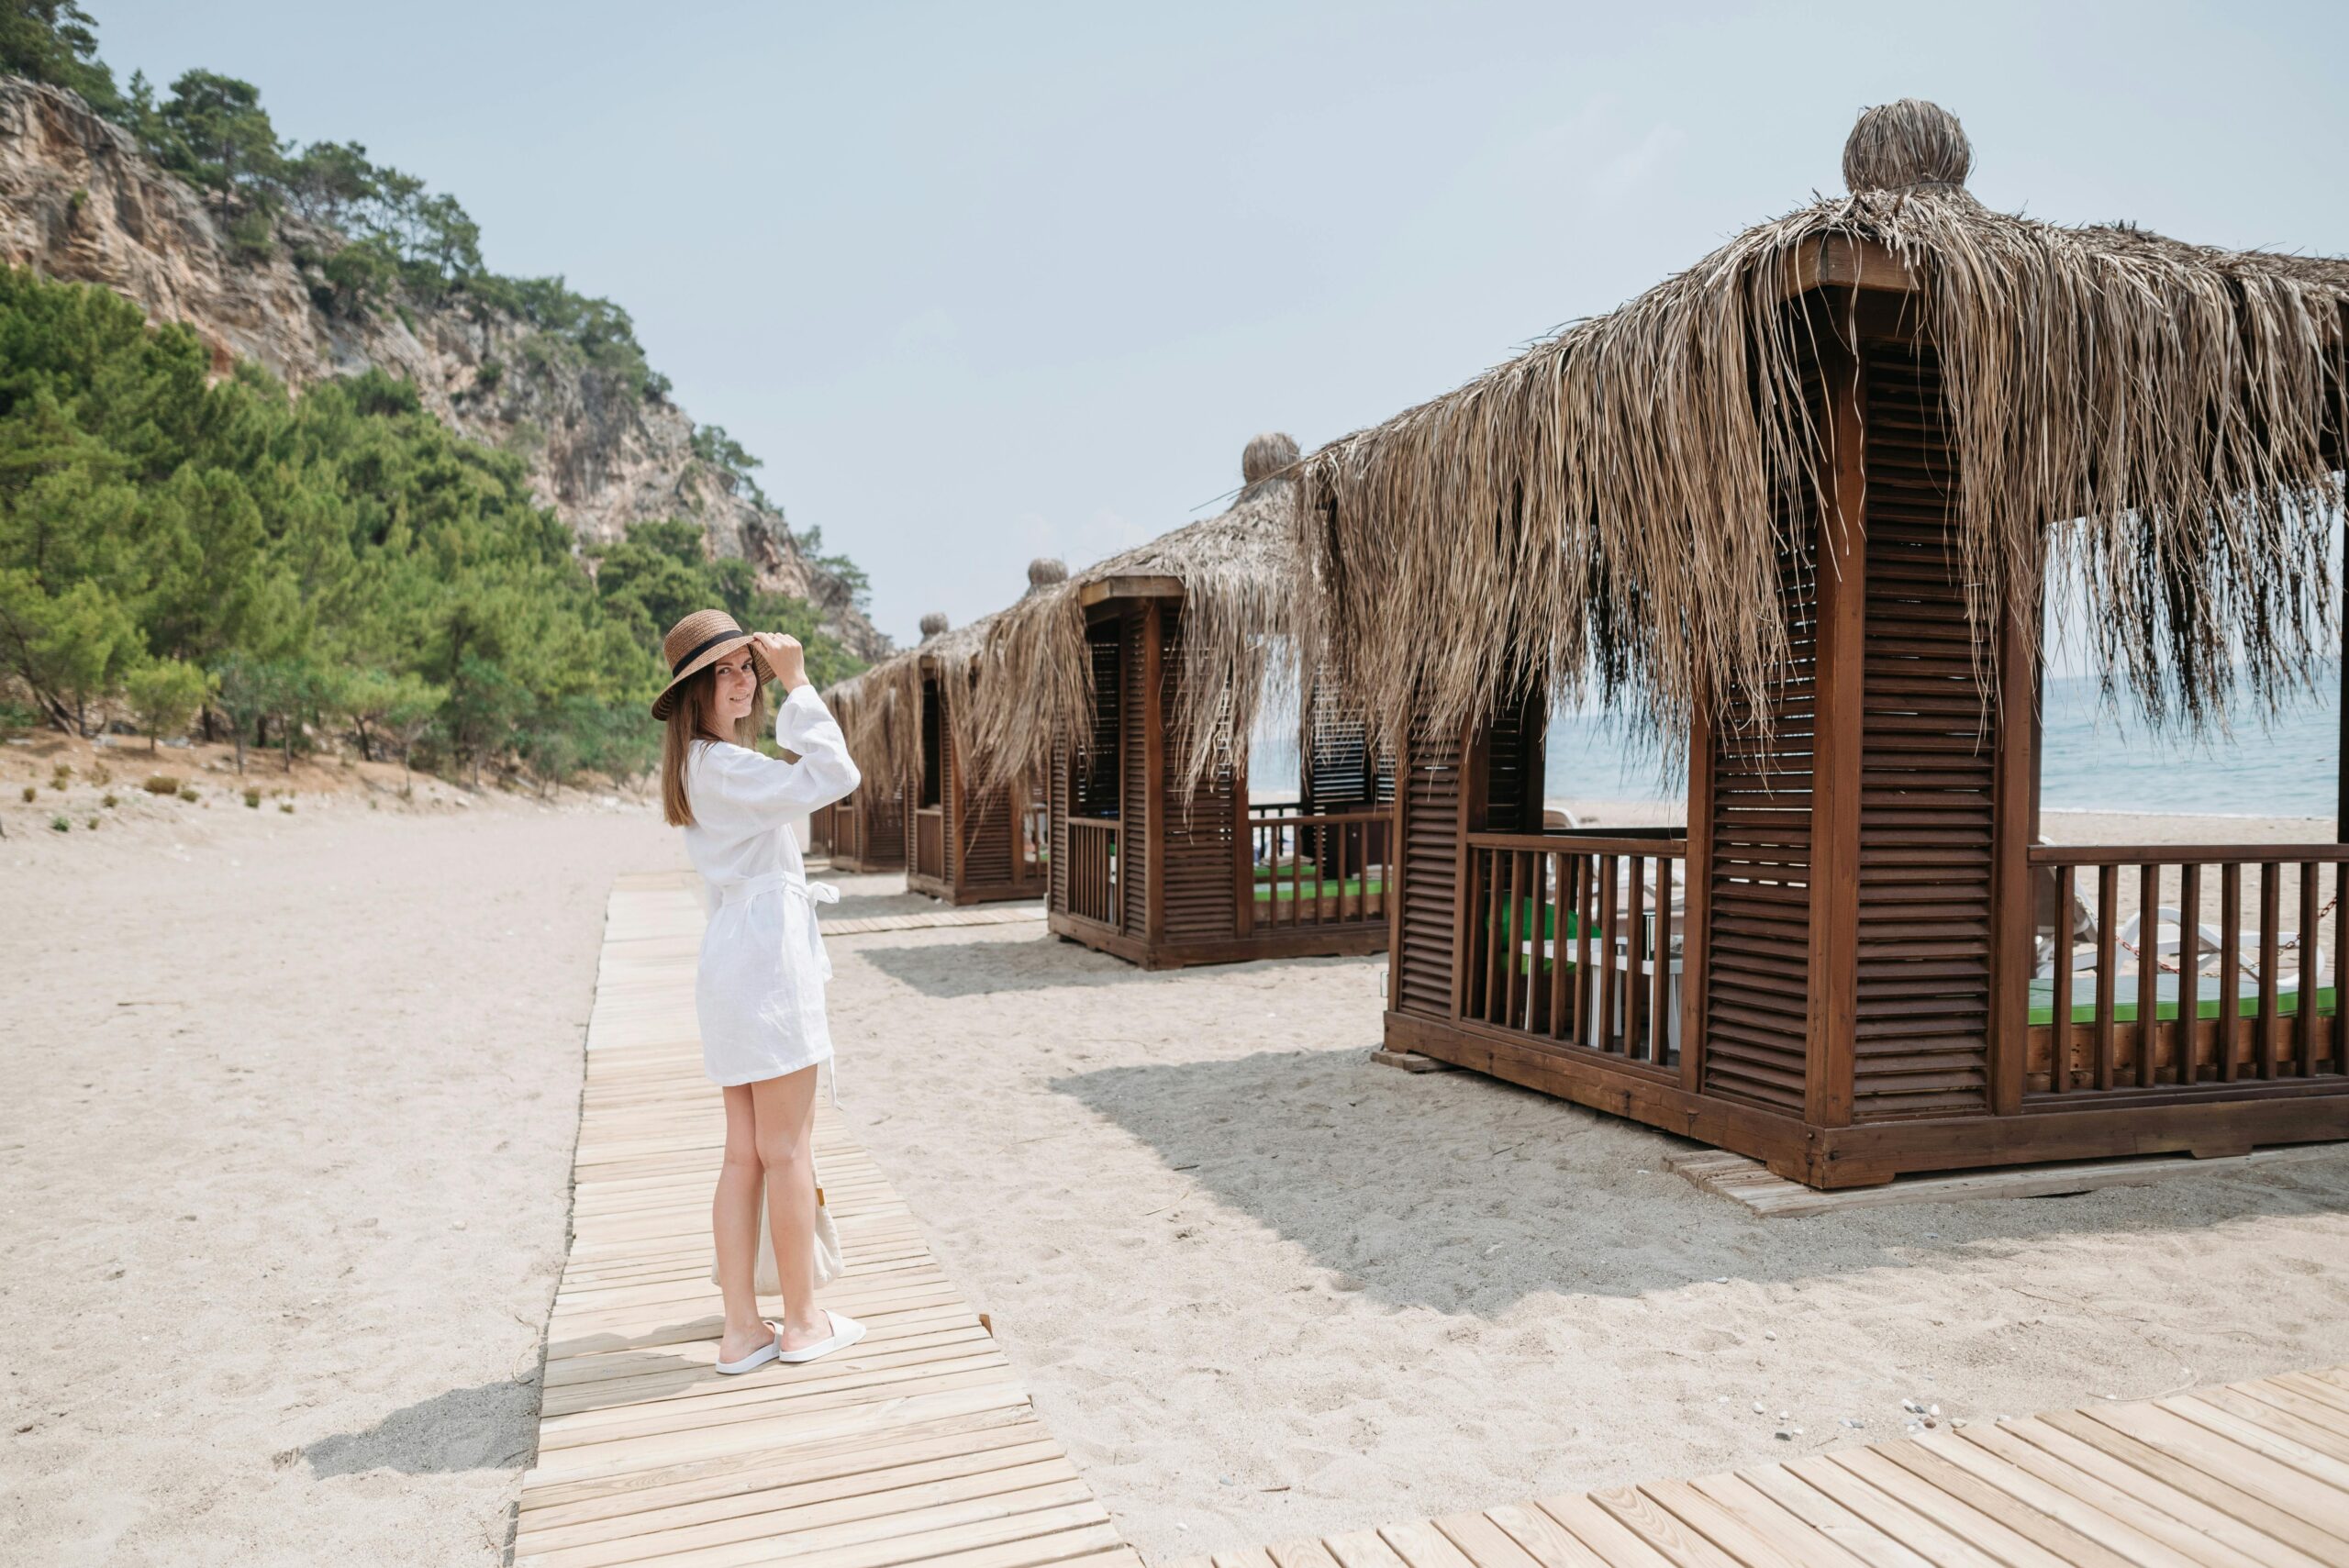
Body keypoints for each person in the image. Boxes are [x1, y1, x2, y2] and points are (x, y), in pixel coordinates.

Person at [653, 608, 863, 1373]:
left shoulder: (699, 768)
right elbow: (836, 774)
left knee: (746, 1153)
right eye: (727, 671)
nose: (745, 680)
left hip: (731, 964)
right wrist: (799, 680)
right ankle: (803, 1321)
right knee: (786, 1148)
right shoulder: (729, 769)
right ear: (694, 693)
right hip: (767, 965)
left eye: (749, 667)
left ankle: (742, 1327)